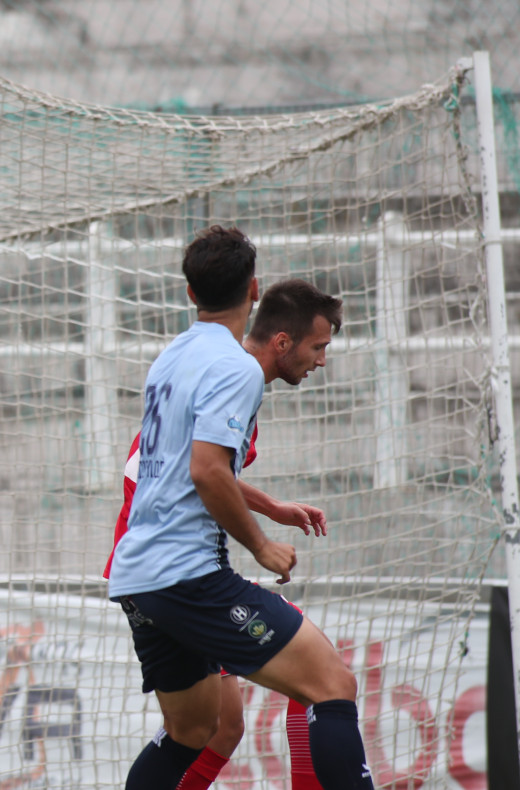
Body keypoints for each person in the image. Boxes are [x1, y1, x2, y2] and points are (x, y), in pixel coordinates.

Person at [108, 226, 372, 790]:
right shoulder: (236, 371)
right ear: (253, 291)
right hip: (188, 575)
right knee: (331, 682)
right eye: (319, 347)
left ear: (189, 293)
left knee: (196, 729)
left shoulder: (172, 358)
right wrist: (263, 544)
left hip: (138, 573)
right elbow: (205, 471)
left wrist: (269, 506)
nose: (321, 360)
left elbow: (184, 464)